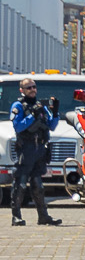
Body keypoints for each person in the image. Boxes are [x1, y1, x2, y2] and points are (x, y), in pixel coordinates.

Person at [9, 77, 62, 227]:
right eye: (29, 88)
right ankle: (16, 217)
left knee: (38, 185)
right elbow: (18, 126)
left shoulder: (41, 106)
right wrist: (32, 115)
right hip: (26, 149)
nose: (32, 90)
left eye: (34, 87)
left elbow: (51, 126)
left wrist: (55, 112)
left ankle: (43, 217)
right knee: (20, 183)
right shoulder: (18, 106)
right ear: (22, 90)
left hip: (39, 150)